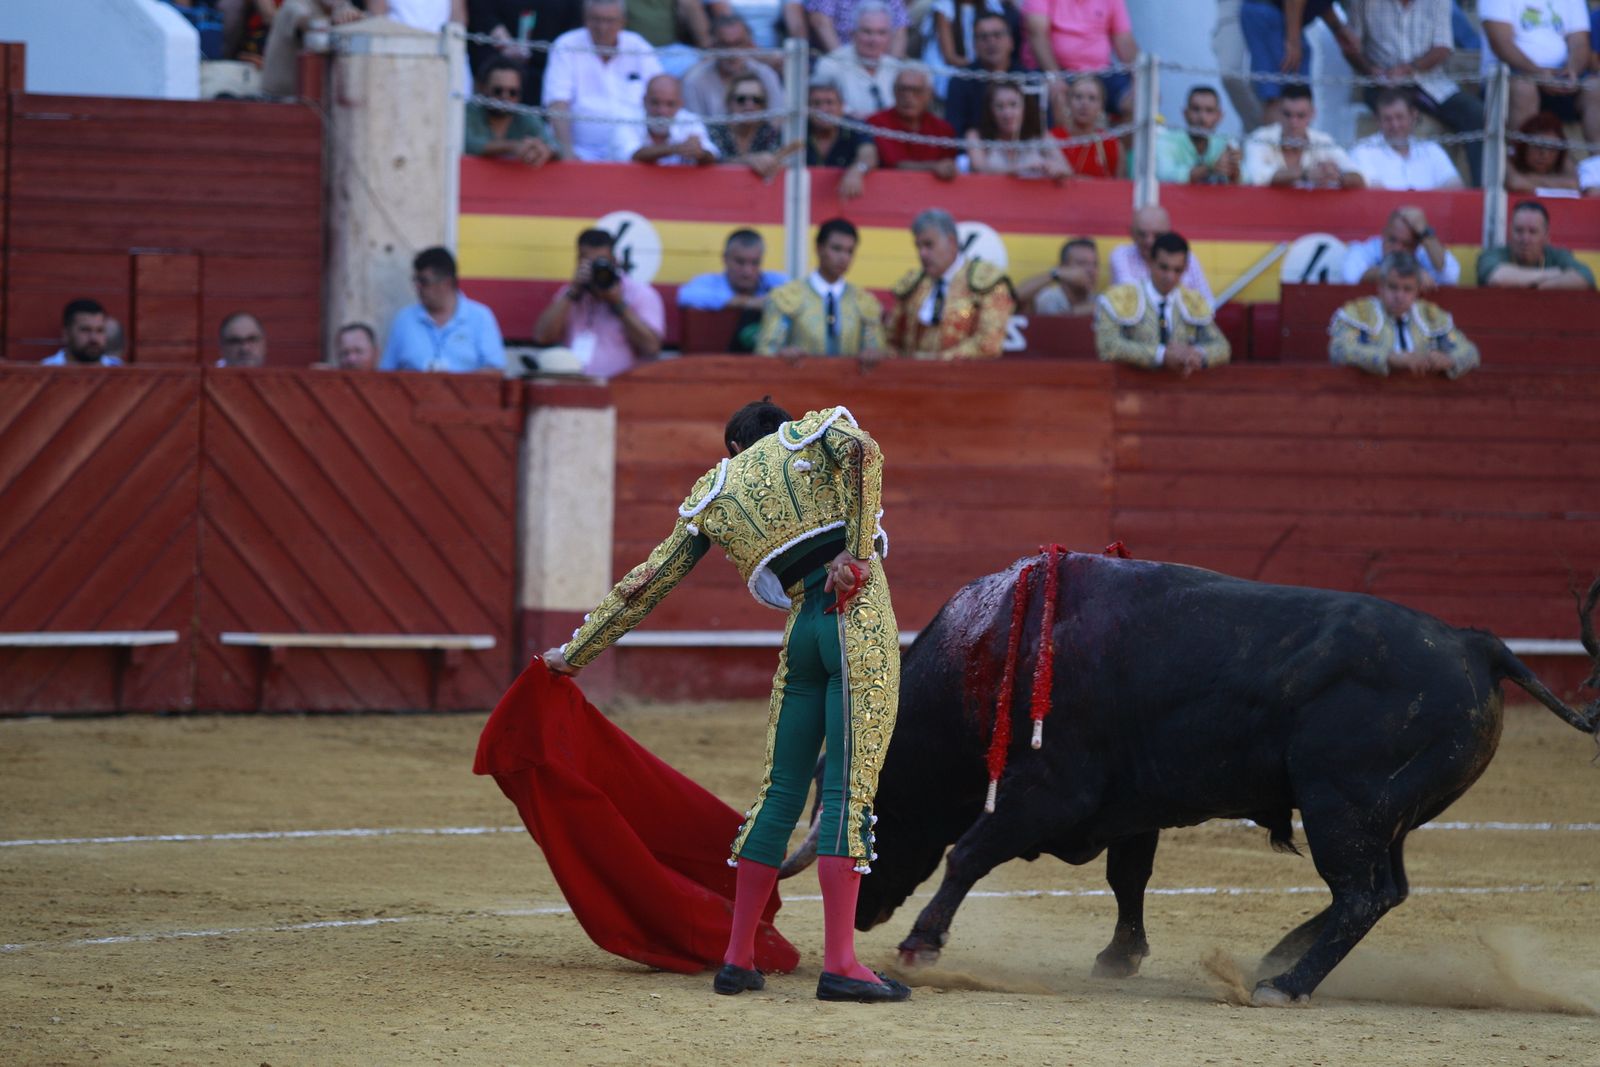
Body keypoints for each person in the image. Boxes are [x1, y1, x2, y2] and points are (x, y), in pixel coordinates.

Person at [543, 397, 909, 1005]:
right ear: (779, 429)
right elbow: (864, 450)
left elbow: (648, 580)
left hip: (802, 634)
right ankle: (841, 964)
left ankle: (737, 959)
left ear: (734, 449)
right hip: (855, 619)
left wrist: (576, 652)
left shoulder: (717, 488)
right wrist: (857, 553)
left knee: (779, 792)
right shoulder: (811, 433)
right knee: (848, 791)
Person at [1341, 0, 1485, 186]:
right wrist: (1371, 70)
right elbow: (1350, 47)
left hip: (1429, 80)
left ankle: (1481, 189)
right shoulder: (1364, 2)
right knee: (1391, 106)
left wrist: (1410, 69)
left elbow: (1443, 47)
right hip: (1382, 81)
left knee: (1476, 113)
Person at [885, 208, 1015, 359]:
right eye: (918, 246)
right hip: (911, 372)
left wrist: (934, 362)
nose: (922, 253)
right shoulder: (913, 284)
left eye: (929, 245)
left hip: (964, 373)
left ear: (952, 242)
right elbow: (890, 340)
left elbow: (988, 344)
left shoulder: (986, 282)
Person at [533, 227, 665, 376]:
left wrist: (618, 304)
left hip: (622, 386)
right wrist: (573, 292)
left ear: (614, 261)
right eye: (589, 263)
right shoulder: (570, 293)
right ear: (578, 262)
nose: (596, 270)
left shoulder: (640, 294)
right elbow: (542, 337)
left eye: (601, 263)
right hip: (577, 383)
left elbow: (651, 348)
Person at [1094, 232, 1230, 375]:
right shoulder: (1120, 298)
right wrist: (1161, 355)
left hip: (1180, 385)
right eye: (1164, 268)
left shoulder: (1193, 302)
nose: (1170, 277)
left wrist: (1194, 354)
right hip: (1132, 384)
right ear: (1151, 262)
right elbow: (1107, 345)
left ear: (1185, 268)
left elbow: (1222, 347)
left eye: (1177, 270)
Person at [543, 0, 664, 161]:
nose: (602, 28)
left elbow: (663, 92)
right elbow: (557, 103)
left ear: (623, 22)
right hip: (580, 152)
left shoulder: (638, 46)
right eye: (596, 20)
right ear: (585, 19)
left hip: (635, 153)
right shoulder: (566, 45)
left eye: (609, 21)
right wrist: (568, 155)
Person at [1329, 251, 1478, 378]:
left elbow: (1470, 353)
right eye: (1393, 287)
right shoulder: (1359, 314)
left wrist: (1449, 359)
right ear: (1380, 286)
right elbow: (1339, 350)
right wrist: (1389, 358)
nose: (1399, 296)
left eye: (1407, 289)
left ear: (1417, 291)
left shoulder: (1431, 317)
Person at [1479, 0, 1600, 152]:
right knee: (1523, 88)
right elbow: (1501, 43)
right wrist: (1538, 73)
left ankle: (1597, 161)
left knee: (1595, 88)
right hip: (1511, 75)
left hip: (1561, 75)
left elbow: (1580, 42)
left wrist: (1573, 70)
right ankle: (1518, 159)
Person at [756, 218, 887, 358]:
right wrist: (782, 354)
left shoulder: (864, 302)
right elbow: (767, 350)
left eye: (850, 251)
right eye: (836, 249)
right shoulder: (786, 296)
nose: (844, 257)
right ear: (819, 248)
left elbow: (879, 352)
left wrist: (873, 354)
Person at [381, 247, 506, 373]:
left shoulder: (480, 318)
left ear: (446, 283)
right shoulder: (404, 320)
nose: (417, 287)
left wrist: (453, 382)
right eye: (416, 281)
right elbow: (386, 373)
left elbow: (495, 371)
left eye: (423, 281)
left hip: (466, 386)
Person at [1239, 0, 1356, 124]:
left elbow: (1321, 3)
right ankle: (1276, 134)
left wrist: (1338, 28)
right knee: (1281, 96)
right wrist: (1293, 41)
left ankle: (1290, 134)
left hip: (1280, 17)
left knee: (1297, 92)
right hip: (1268, 13)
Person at [1022, 0, 1137, 124]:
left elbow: (1124, 41)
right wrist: (1054, 77)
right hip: (1053, 71)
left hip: (1101, 72)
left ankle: (1110, 137)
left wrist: (1142, 80)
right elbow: (1037, 35)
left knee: (1136, 102)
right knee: (1058, 102)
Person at [1242, 83, 1366, 188]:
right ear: (1278, 112)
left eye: (1300, 115)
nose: (1293, 122)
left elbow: (1359, 176)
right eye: (1287, 114)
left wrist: (1336, 176)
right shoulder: (1259, 138)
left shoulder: (1323, 141)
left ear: (1312, 114)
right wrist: (1305, 175)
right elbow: (1255, 176)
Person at [466, 0, 583, 106]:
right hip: (498, 65)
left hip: (549, 68)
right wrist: (504, 43)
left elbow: (577, 23)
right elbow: (480, 11)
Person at [1349, 89, 1463, 190]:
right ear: (1378, 120)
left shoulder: (1431, 150)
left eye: (1400, 117)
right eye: (1387, 119)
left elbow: (1456, 186)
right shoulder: (1363, 151)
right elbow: (1377, 195)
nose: (1395, 125)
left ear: (1413, 116)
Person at [944, 12, 1033, 137]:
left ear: (1011, 41)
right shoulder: (961, 80)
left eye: (997, 35)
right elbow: (954, 130)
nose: (991, 42)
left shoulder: (1029, 79)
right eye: (983, 37)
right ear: (974, 45)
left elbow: (1041, 127)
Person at [1476, 199, 1597, 289]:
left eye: (1533, 232)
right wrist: (1554, 274)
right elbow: (1498, 278)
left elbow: (1585, 277)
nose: (1525, 239)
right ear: (1510, 232)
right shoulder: (1493, 254)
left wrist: (1542, 286)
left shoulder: (1557, 255)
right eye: (1519, 230)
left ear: (1546, 236)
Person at [682, 15, 786, 118]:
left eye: (738, 44)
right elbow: (693, 125)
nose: (732, 52)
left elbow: (777, 120)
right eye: (725, 45)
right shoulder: (694, 81)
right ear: (713, 46)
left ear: (749, 45)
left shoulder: (766, 75)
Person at [866, 63, 960, 178]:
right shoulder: (877, 123)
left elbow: (949, 166)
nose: (908, 97)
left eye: (916, 91)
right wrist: (934, 167)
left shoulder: (943, 129)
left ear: (929, 94)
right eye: (902, 90)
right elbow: (895, 164)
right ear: (894, 91)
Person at [1109, 204, 1214, 304]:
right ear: (1131, 233)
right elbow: (1132, 299)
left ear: (1168, 234)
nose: (1149, 241)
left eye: (1157, 235)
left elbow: (1207, 303)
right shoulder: (1122, 255)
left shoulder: (1187, 258)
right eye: (1142, 234)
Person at [812, 2, 903, 118]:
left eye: (881, 33)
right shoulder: (831, 64)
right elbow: (819, 109)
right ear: (852, 33)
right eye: (867, 32)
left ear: (890, 36)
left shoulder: (896, 68)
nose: (874, 40)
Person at [966, 82, 1071, 180]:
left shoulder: (1040, 135)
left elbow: (1067, 170)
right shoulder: (976, 136)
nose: (1007, 114)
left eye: (1013, 105)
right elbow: (979, 169)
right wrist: (1019, 169)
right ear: (990, 111)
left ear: (1025, 107)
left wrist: (1054, 168)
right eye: (999, 106)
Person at [260, 0, 365, 97]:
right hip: (278, 98)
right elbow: (307, 24)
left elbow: (365, 23)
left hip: (313, 100)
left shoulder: (342, 6)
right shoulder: (294, 4)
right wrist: (335, 20)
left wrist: (356, 17)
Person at [1340, 205, 1461, 288]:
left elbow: (1450, 276)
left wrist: (1424, 231)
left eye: (1406, 244)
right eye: (1392, 240)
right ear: (1384, 234)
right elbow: (1350, 277)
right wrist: (1412, 275)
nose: (1397, 248)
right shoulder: (1366, 249)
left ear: (1417, 245)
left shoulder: (1423, 251)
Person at [466, 58, 559, 165]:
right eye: (498, 91)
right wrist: (513, 147)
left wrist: (545, 150)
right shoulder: (469, 112)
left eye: (513, 92)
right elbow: (467, 143)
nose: (505, 97)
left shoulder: (525, 116)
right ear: (483, 88)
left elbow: (556, 146)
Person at [613, 73, 719, 165]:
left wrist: (699, 152)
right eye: (655, 103)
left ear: (680, 104)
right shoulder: (627, 119)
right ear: (644, 101)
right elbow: (631, 155)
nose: (662, 111)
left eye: (670, 104)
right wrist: (674, 148)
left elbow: (712, 156)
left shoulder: (690, 121)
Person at [678, 229, 788, 311]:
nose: (747, 271)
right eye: (740, 262)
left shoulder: (775, 281)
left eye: (755, 263)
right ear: (725, 259)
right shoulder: (709, 282)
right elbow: (685, 295)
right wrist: (747, 302)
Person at [806, 79, 880, 199]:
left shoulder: (854, 127)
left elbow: (869, 154)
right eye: (816, 103)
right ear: (808, 109)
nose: (823, 109)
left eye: (830, 103)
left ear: (842, 107)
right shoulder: (797, 130)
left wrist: (857, 170)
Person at [1155, 85, 1241, 185]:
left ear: (1219, 116)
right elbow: (1164, 175)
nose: (1202, 118)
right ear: (1185, 113)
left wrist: (1234, 171)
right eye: (1196, 109)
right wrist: (1210, 168)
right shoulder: (1166, 140)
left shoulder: (1225, 142)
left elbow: (1249, 178)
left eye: (1209, 110)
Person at [709, 73, 789, 176]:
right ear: (729, 103)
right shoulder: (714, 132)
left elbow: (781, 167)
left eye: (757, 100)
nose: (749, 105)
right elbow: (712, 163)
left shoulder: (771, 134)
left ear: (764, 106)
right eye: (741, 99)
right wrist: (748, 160)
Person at [1051, 75, 1122, 178]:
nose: (1084, 104)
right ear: (1068, 102)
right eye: (1078, 97)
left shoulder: (1112, 144)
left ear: (1101, 106)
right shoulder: (1053, 139)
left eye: (1092, 98)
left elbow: (1120, 184)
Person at [1015, 237, 1100, 315]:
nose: (1091, 270)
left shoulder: (1100, 302)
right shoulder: (1046, 299)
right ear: (1063, 267)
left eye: (1095, 264)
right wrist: (1056, 274)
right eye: (1082, 263)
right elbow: (1014, 298)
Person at [1506, 111, 1579, 193]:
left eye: (1552, 148)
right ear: (1524, 146)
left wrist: (1531, 179)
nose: (1545, 154)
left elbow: (1574, 185)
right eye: (1538, 145)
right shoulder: (1509, 158)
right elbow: (1515, 183)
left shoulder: (1562, 158)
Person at [805, 0, 909, 56]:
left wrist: (891, 65)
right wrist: (842, 59)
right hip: (842, 54)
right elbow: (820, 21)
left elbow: (900, 30)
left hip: (881, 59)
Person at [43, 299, 122, 366]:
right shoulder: (45, 370)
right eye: (85, 330)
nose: (93, 338)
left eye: (99, 330)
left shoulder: (118, 369)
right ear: (66, 334)